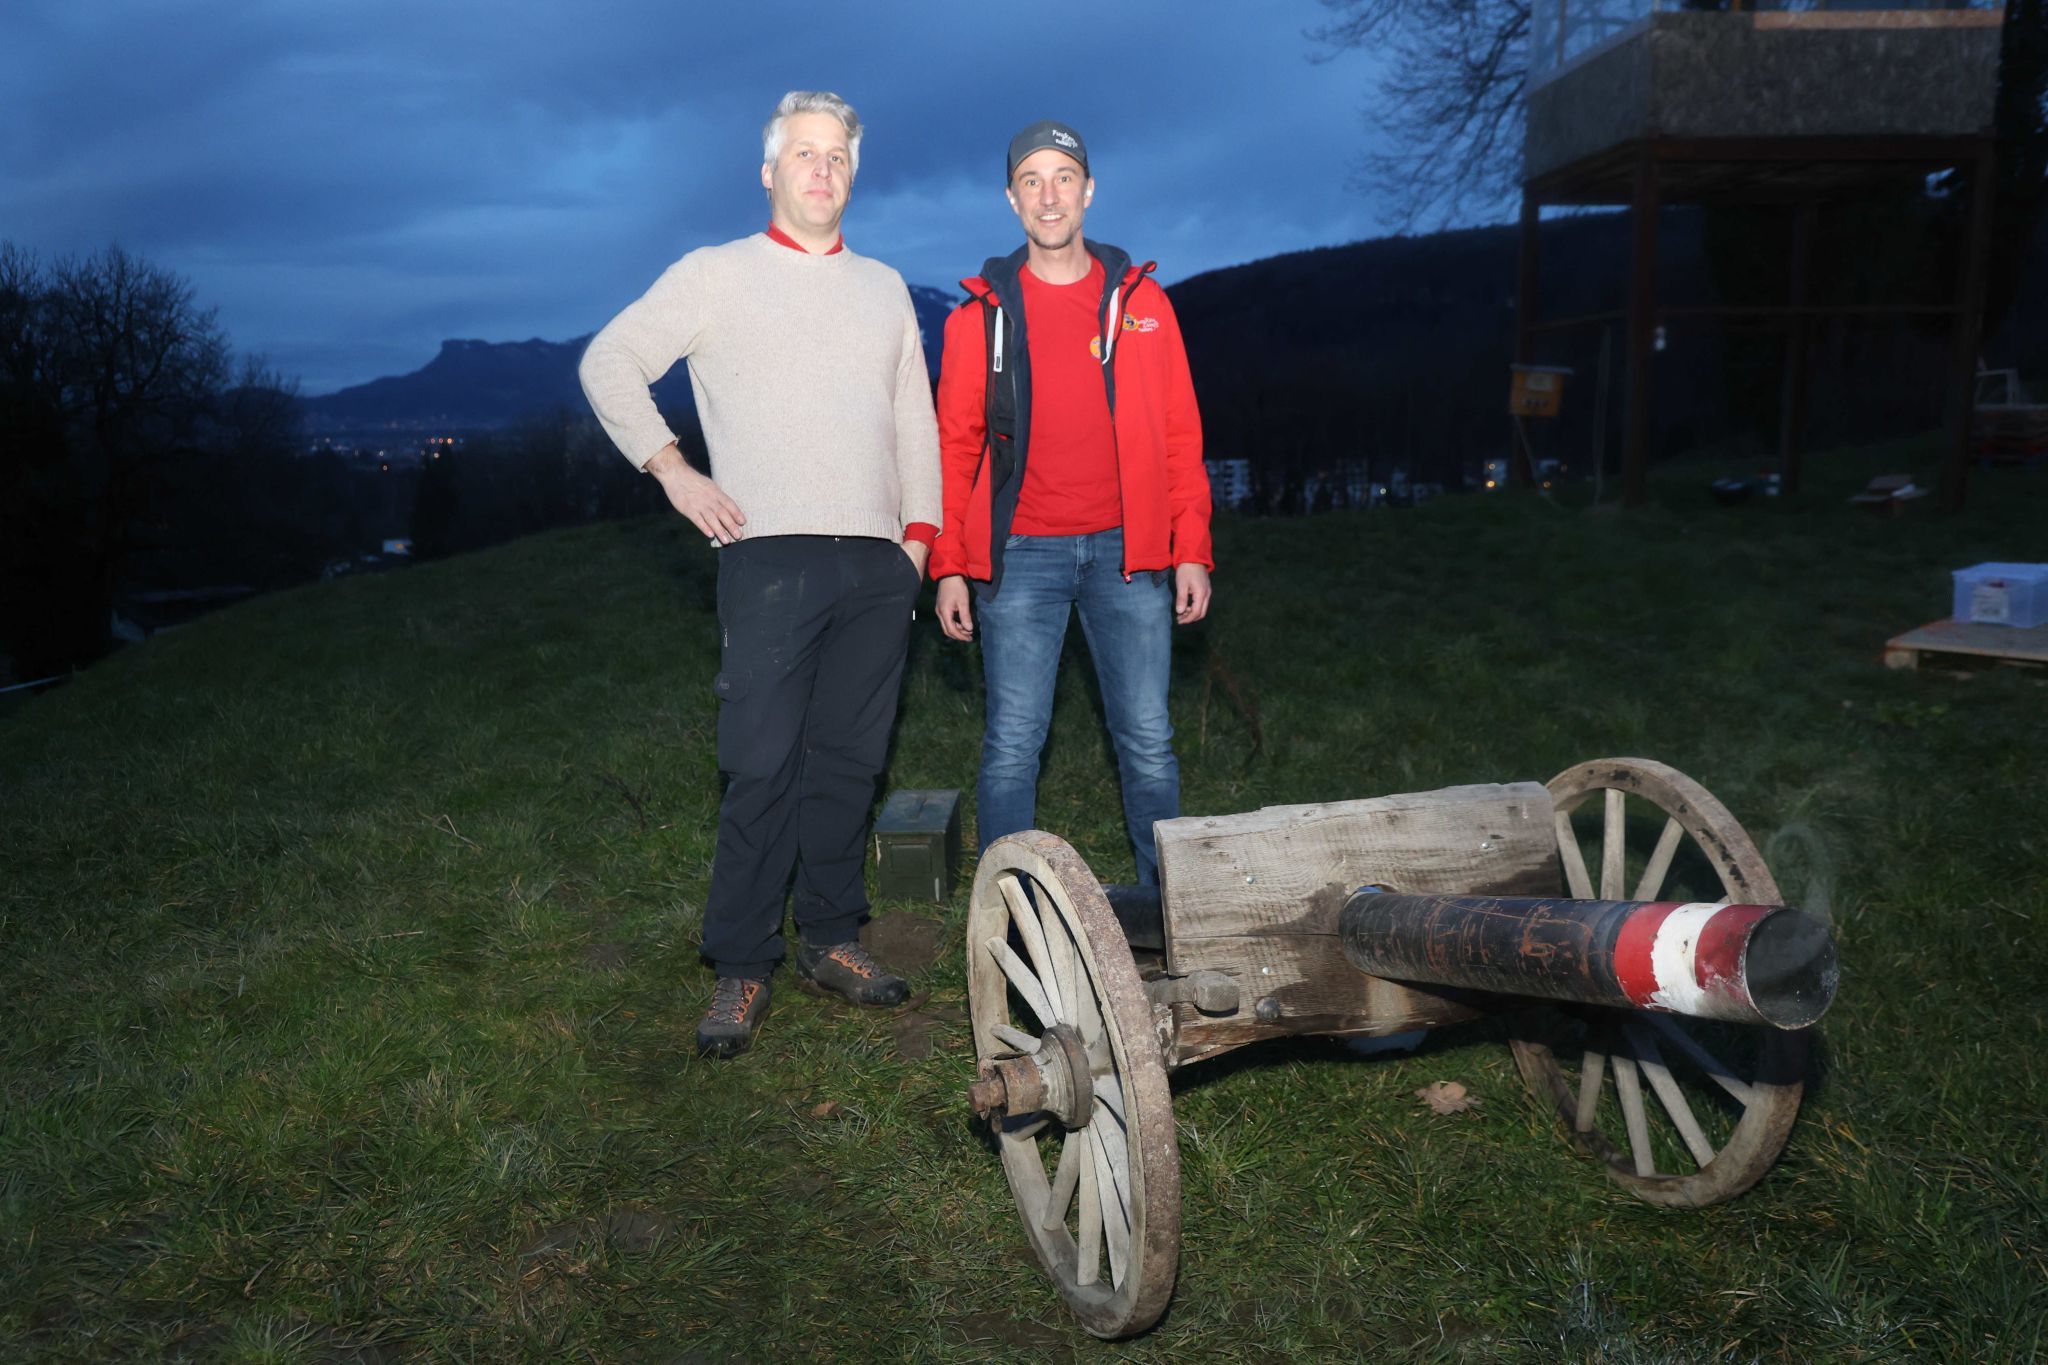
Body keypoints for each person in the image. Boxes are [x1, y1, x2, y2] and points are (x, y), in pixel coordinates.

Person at [579, 91, 941, 1059]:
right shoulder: (715, 275)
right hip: (767, 555)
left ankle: (830, 938)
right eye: (803, 155)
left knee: (850, 762)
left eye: (837, 157)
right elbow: (609, 359)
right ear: (769, 172)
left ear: (851, 176)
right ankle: (740, 962)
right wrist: (673, 469)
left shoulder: (883, 287)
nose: (821, 170)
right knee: (760, 762)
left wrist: (916, 544)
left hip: (876, 560)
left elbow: (915, 417)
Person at [930, 119, 1212, 888]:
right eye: (1031, 181)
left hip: (1131, 554)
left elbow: (1180, 434)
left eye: (1063, 177)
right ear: (1012, 201)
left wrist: (1191, 545)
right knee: (1013, 742)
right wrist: (950, 564)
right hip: (1021, 556)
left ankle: (1172, 906)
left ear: (1088, 190)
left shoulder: (1145, 305)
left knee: (1149, 739)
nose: (1048, 195)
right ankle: (1011, 914)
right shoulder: (976, 320)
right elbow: (954, 449)